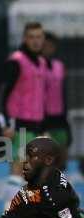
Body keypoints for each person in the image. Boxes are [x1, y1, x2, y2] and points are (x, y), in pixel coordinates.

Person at [0, 22, 47, 205]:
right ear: (25, 39)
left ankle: (24, 213)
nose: (35, 41)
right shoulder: (16, 61)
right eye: (31, 37)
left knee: (34, 172)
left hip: (37, 125)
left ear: (43, 39)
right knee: (18, 168)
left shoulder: (41, 63)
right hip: (19, 125)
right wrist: (4, 124)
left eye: (39, 37)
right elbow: (1, 93)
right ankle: (8, 212)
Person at [42, 32, 71, 170]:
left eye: (51, 46)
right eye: (45, 46)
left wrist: (66, 121)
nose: (48, 49)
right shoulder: (35, 67)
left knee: (62, 160)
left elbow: (63, 93)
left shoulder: (60, 66)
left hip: (59, 118)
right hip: (42, 118)